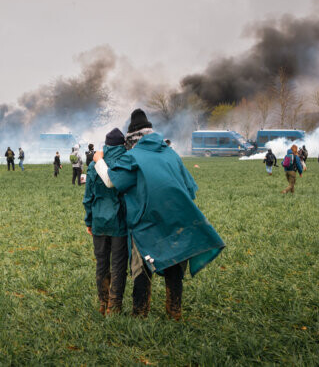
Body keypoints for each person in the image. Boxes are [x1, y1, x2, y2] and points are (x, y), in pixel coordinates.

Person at [93, 109, 225, 319]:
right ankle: (174, 310)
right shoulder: (171, 153)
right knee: (175, 259)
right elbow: (190, 188)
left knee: (142, 264)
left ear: (132, 139)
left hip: (146, 221)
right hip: (177, 217)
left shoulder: (133, 156)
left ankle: (140, 312)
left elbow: (111, 181)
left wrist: (98, 159)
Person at [83, 128, 128, 315]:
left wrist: (89, 221)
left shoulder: (95, 165)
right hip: (119, 223)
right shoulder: (126, 161)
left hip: (100, 222)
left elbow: (88, 198)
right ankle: (114, 305)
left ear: (106, 144)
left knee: (102, 263)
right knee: (118, 264)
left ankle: (102, 302)